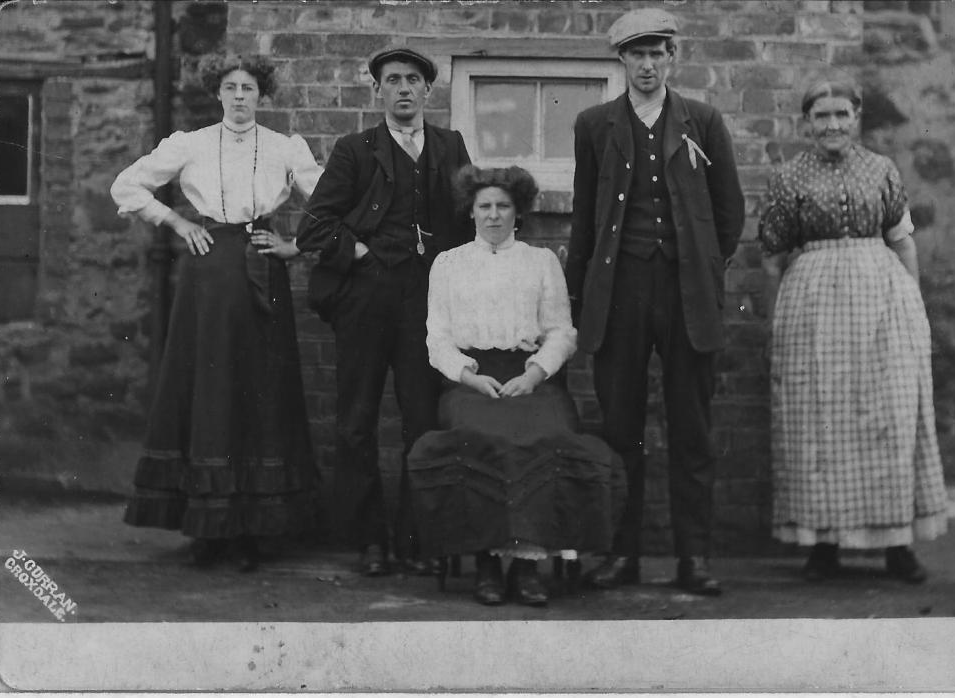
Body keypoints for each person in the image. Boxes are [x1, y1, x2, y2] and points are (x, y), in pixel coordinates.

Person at [110, 54, 323, 571]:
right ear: (218, 93)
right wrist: (177, 224)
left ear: (262, 93)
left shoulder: (284, 148)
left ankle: (253, 528)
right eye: (230, 87)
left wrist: (296, 244)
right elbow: (126, 186)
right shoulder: (191, 144)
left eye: (249, 87)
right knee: (210, 388)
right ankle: (209, 529)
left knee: (260, 390)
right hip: (208, 272)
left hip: (262, 271)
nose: (240, 96)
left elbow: (329, 200)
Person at [565, 8, 745, 596]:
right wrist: (581, 294)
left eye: (657, 54)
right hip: (619, 295)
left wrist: (699, 265)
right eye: (636, 54)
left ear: (672, 58)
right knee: (621, 429)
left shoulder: (703, 120)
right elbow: (586, 220)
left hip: (686, 293)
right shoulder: (594, 125)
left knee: (691, 429)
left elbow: (729, 213)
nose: (647, 65)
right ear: (621, 60)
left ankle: (694, 559)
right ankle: (624, 555)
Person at [758, 77, 948, 583]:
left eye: (842, 114)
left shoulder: (881, 170)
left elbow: (902, 242)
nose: (833, 125)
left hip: (881, 301)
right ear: (806, 123)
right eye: (821, 116)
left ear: (856, 117)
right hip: (812, 304)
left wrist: (915, 310)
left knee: (888, 413)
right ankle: (823, 545)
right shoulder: (788, 177)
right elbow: (774, 258)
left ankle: (897, 545)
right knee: (816, 419)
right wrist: (780, 326)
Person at [407, 165, 624, 607]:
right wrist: (469, 375)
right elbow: (437, 339)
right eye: (484, 206)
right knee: (481, 437)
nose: (492, 216)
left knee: (547, 435)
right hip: (472, 381)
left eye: (502, 206)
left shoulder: (540, 263)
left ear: (517, 212)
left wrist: (534, 374)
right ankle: (488, 563)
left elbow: (562, 332)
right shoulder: (448, 265)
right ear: (471, 211)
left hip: (529, 380)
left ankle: (527, 566)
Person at [295, 47, 473, 576]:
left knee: (421, 418)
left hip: (427, 303)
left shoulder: (450, 145)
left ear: (427, 91)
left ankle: (415, 539)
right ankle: (369, 540)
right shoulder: (355, 149)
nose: (402, 88)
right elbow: (313, 227)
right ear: (378, 91)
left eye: (412, 80)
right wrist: (361, 252)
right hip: (366, 300)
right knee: (356, 421)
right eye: (392, 79)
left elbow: (469, 219)